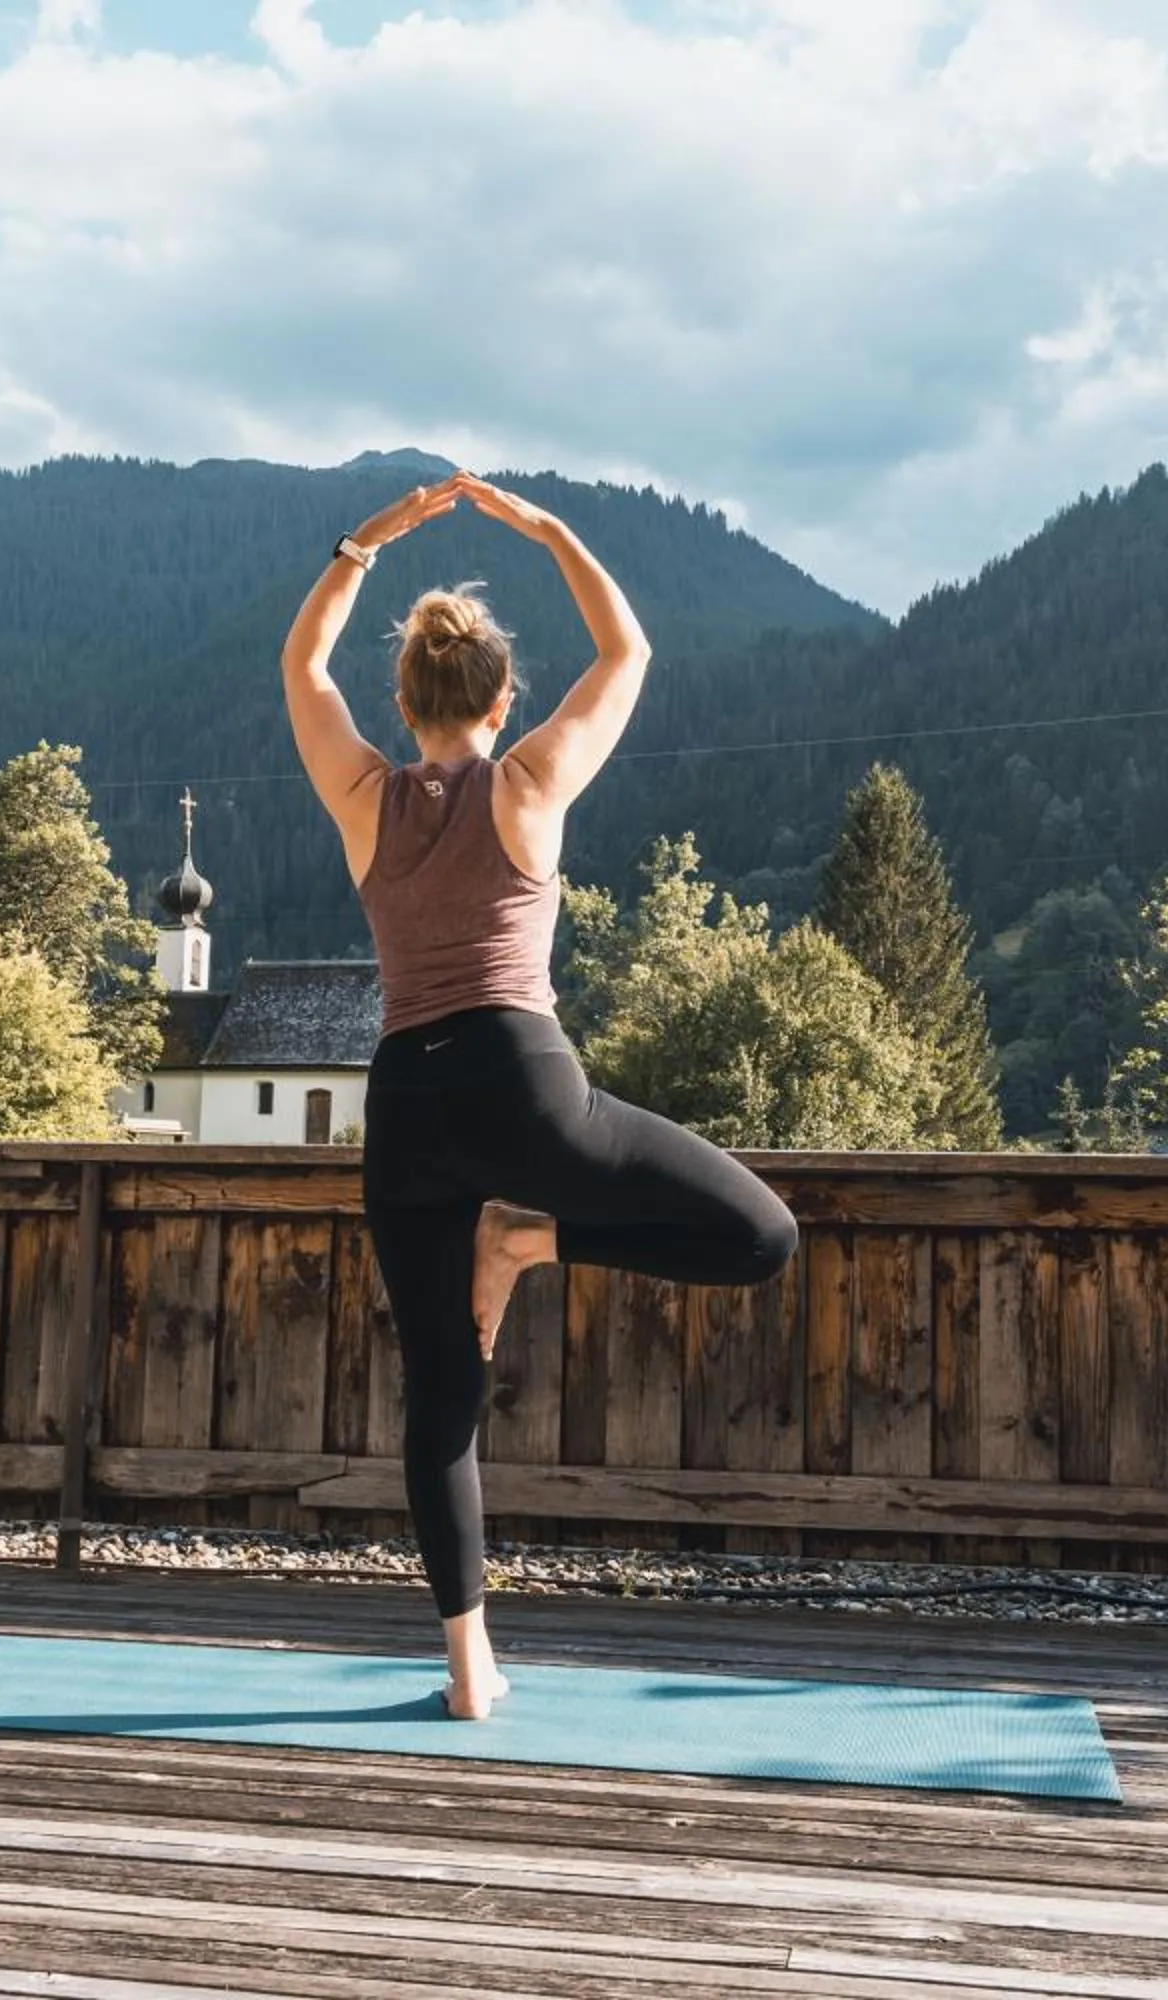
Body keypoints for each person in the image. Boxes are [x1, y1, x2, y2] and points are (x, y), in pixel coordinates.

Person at [278, 470, 799, 1720]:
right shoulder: (526, 786)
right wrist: (545, 528)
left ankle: (468, 1669)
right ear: (502, 700)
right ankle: (535, 1235)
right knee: (762, 1236)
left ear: (404, 705)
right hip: (525, 1087)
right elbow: (627, 645)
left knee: (442, 1397)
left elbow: (303, 668)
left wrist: (366, 542)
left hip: (406, 1101)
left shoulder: (364, 796)